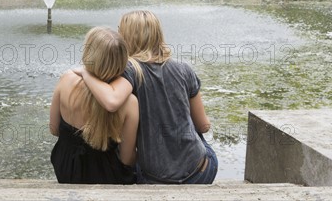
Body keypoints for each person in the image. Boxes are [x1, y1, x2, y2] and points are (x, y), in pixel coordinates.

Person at [74, 11, 218, 184]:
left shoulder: (130, 69)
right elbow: (203, 125)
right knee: (198, 137)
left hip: (155, 178)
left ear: (127, 36)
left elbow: (111, 100)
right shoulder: (184, 69)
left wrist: (86, 73)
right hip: (200, 172)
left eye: (120, 30)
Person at [49, 27, 139, 184]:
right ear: (123, 59)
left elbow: (54, 129)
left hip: (66, 166)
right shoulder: (129, 102)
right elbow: (127, 158)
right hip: (105, 174)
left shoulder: (66, 80)